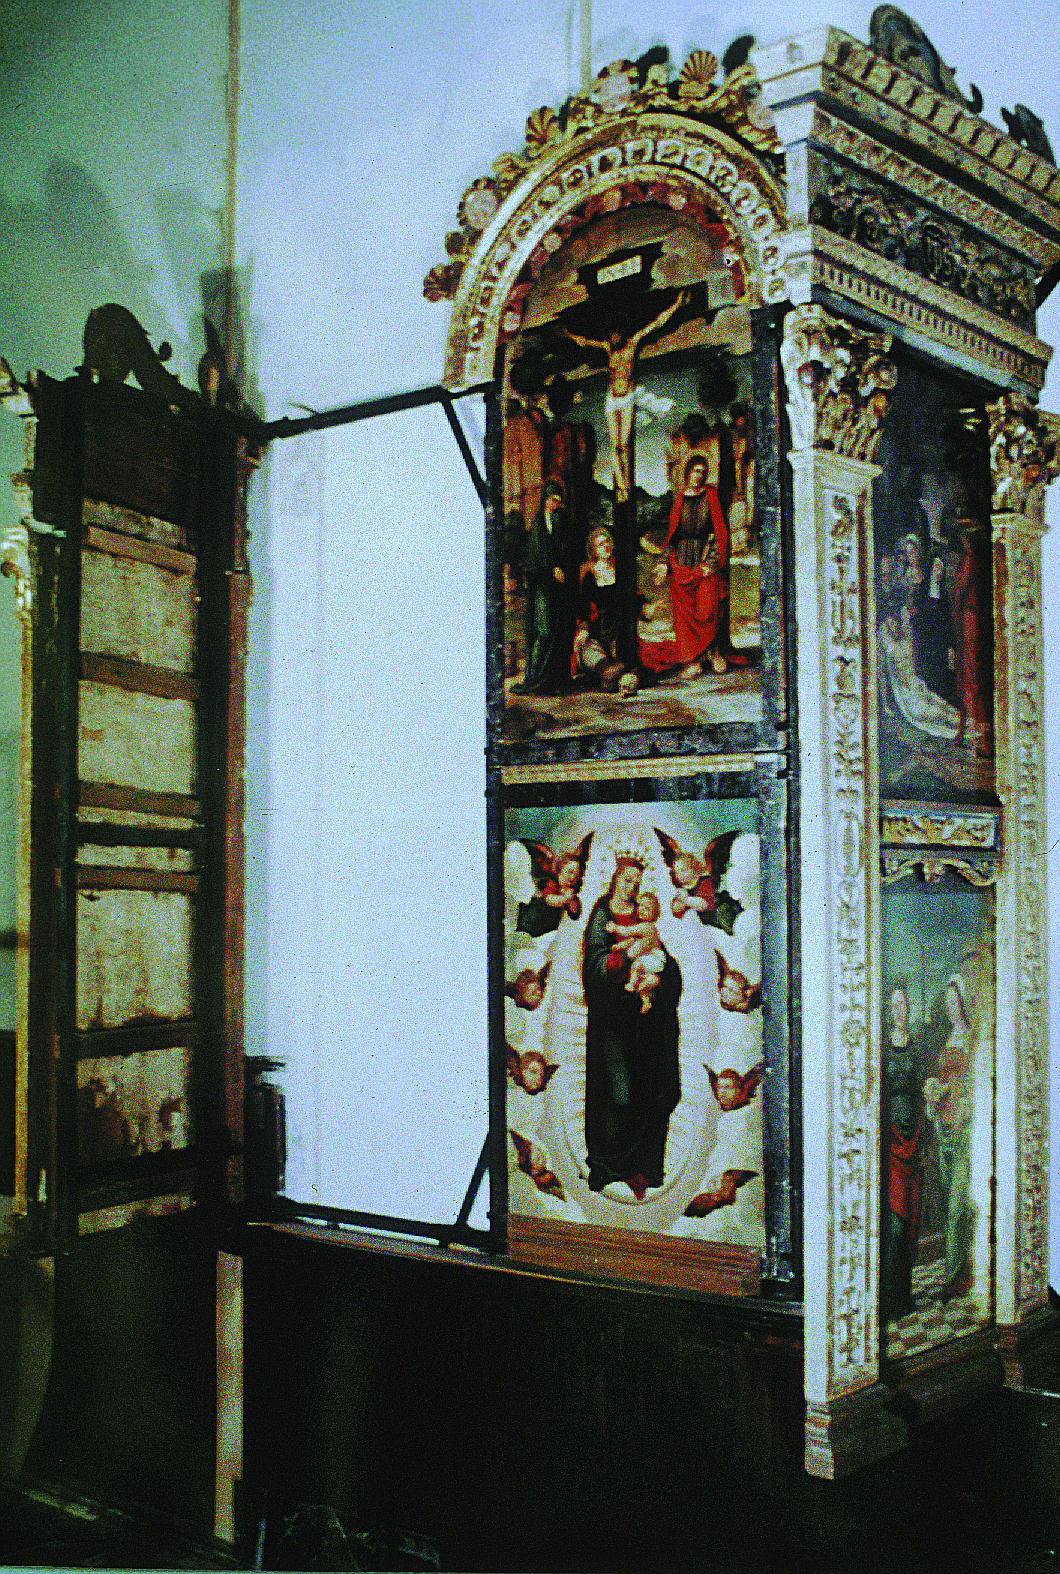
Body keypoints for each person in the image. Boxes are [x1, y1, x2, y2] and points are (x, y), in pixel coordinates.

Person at [582, 859, 682, 1199]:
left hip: (645, 1027)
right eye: (627, 879)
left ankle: (644, 1168)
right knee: (618, 1095)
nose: (631, 887)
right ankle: (609, 1166)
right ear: (615, 879)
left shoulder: (642, 918)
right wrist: (626, 959)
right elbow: (594, 968)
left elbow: (666, 966)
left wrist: (660, 981)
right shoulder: (602, 916)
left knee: (658, 1089)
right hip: (613, 1023)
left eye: (636, 882)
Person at [561, 291, 688, 500]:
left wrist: (676, 305)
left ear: (621, 333)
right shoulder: (607, 348)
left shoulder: (632, 343)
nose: (613, 339)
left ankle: (626, 487)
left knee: (624, 445)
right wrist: (569, 335)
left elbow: (656, 324)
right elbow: (585, 342)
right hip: (612, 399)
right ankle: (621, 487)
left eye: (616, 335)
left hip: (627, 398)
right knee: (615, 446)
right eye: (610, 336)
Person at [640, 454, 732, 680]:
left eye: (702, 472)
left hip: (703, 561)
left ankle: (713, 653)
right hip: (680, 564)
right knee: (685, 618)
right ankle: (693, 660)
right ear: (687, 472)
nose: (698, 476)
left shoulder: (710, 497)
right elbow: (671, 537)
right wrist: (663, 563)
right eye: (695, 471)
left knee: (708, 609)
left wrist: (711, 563)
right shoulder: (679, 500)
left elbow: (720, 534)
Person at [923, 974, 975, 1298]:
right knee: (947, 1205)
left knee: (958, 1206)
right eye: (948, 1003)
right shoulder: (947, 1037)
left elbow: (977, 1082)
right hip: (943, 1128)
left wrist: (969, 1102)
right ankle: (957, 1270)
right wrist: (933, 1092)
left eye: (956, 1002)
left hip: (964, 1131)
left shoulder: (973, 1037)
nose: (951, 1007)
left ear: (964, 1003)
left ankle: (954, 1277)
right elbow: (941, 1079)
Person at [881, 979, 926, 1321]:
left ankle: (904, 1295)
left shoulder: (918, 1047)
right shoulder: (881, 1047)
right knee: (894, 1224)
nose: (900, 1010)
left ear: (909, 1009)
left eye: (904, 1005)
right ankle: (889, 1299)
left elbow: (923, 1091)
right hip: (890, 1139)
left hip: (915, 1134)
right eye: (895, 1005)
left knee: (910, 1220)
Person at [513, 481, 572, 694]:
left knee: (557, 631)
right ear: (545, 500)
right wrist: (551, 568)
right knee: (543, 630)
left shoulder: (560, 520)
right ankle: (534, 679)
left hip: (556, 585)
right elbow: (537, 555)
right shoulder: (538, 523)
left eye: (558, 500)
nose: (555, 504)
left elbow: (563, 548)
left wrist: (560, 567)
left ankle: (551, 682)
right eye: (552, 500)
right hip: (541, 585)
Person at [606, 890, 666, 1014]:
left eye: (647, 909)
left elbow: (627, 932)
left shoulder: (647, 927)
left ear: (654, 914)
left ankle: (632, 984)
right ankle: (646, 1000)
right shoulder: (643, 927)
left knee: (636, 965)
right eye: (641, 906)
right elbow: (631, 941)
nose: (642, 910)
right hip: (650, 959)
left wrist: (615, 927)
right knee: (641, 978)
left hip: (653, 958)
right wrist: (618, 946)